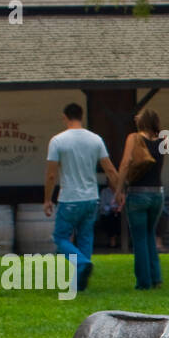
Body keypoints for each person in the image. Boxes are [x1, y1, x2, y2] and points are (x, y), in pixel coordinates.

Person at [44, 102, 121, 290]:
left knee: (60, 237)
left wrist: (47, 199)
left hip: (69, 197)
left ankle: (80, 263)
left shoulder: (57, 141)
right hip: (91, 197)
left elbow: (52, 174)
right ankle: (80, 282)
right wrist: (119, 192)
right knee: (86, 237)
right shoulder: (95, 140)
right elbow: (110, 169)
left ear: (65, 117)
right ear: (82, 116)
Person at [114, 108, 165, 289]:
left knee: (140, 238)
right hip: (158, 193)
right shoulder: (164, 139)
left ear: (142, 120)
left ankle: (144, 282)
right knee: (150, 234)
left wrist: (119, 190)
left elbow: (126, 163)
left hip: (138, 193)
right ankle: (156, 277)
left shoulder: (133, 138)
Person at [97, 179, 121, 249]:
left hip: (118, 214)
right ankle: (112, 241)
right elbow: (102, 206)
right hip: (108, 214)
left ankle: (72, 258)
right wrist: (111, 208)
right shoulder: (104, 192)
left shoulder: (120, 192)